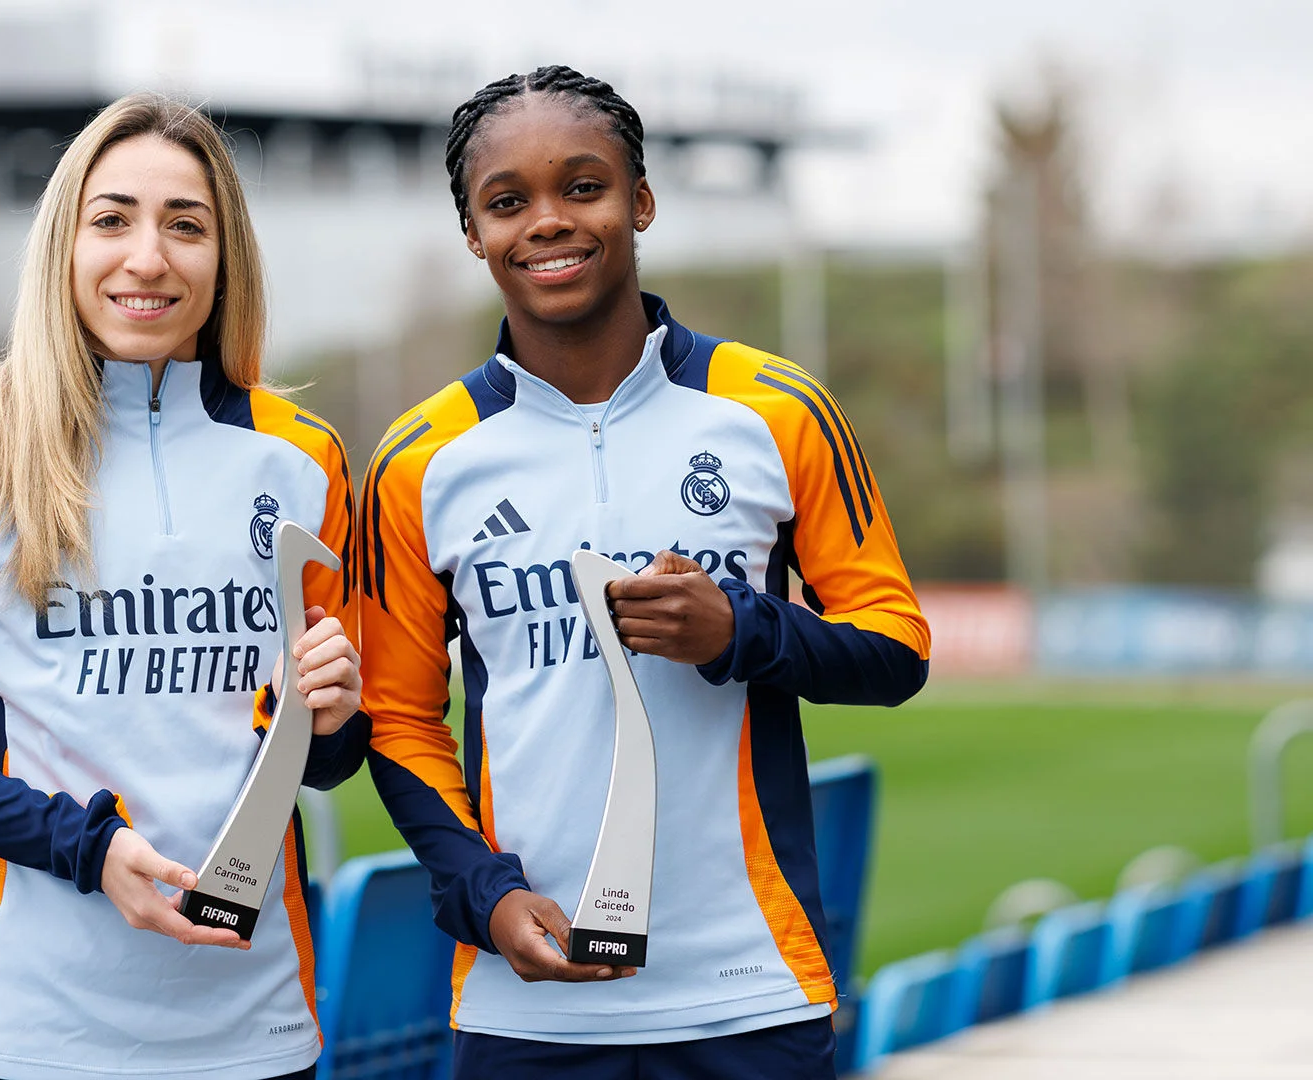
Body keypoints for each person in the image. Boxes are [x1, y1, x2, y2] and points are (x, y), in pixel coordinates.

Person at [359, 67, 929, 1078]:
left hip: (748, 994)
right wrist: (481, 894)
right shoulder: (420, 460)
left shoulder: (775, 411)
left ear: (642, 202)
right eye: (507, 201)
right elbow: (398, 717)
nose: (548, 222)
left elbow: (895, 649)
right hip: (526, 1006)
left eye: (583, 187)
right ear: (472, 233)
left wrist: (739, 632)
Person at [0, 93, 366, 1080]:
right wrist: (86, 847)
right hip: (22, 1034)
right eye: (112, 220)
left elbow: (323, 763)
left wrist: (329, 717)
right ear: (62, 245)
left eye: (185, 225)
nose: (147, 258)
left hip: (252, 1033)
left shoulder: (305, 459)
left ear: (226, 254)